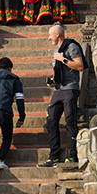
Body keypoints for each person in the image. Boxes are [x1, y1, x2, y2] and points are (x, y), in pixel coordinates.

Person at [38, 24, 84, 168]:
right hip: (58, 90)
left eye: (50, 34)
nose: (48, 37)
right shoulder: (56, 51)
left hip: (70, 89)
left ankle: (73, 156)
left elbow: (80, 66)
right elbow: (59, 72)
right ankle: (54, 157)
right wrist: (52, 82)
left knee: (70, 122)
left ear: (58, 34)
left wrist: (63, 59)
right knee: (51, 121)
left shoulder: (71, 47)